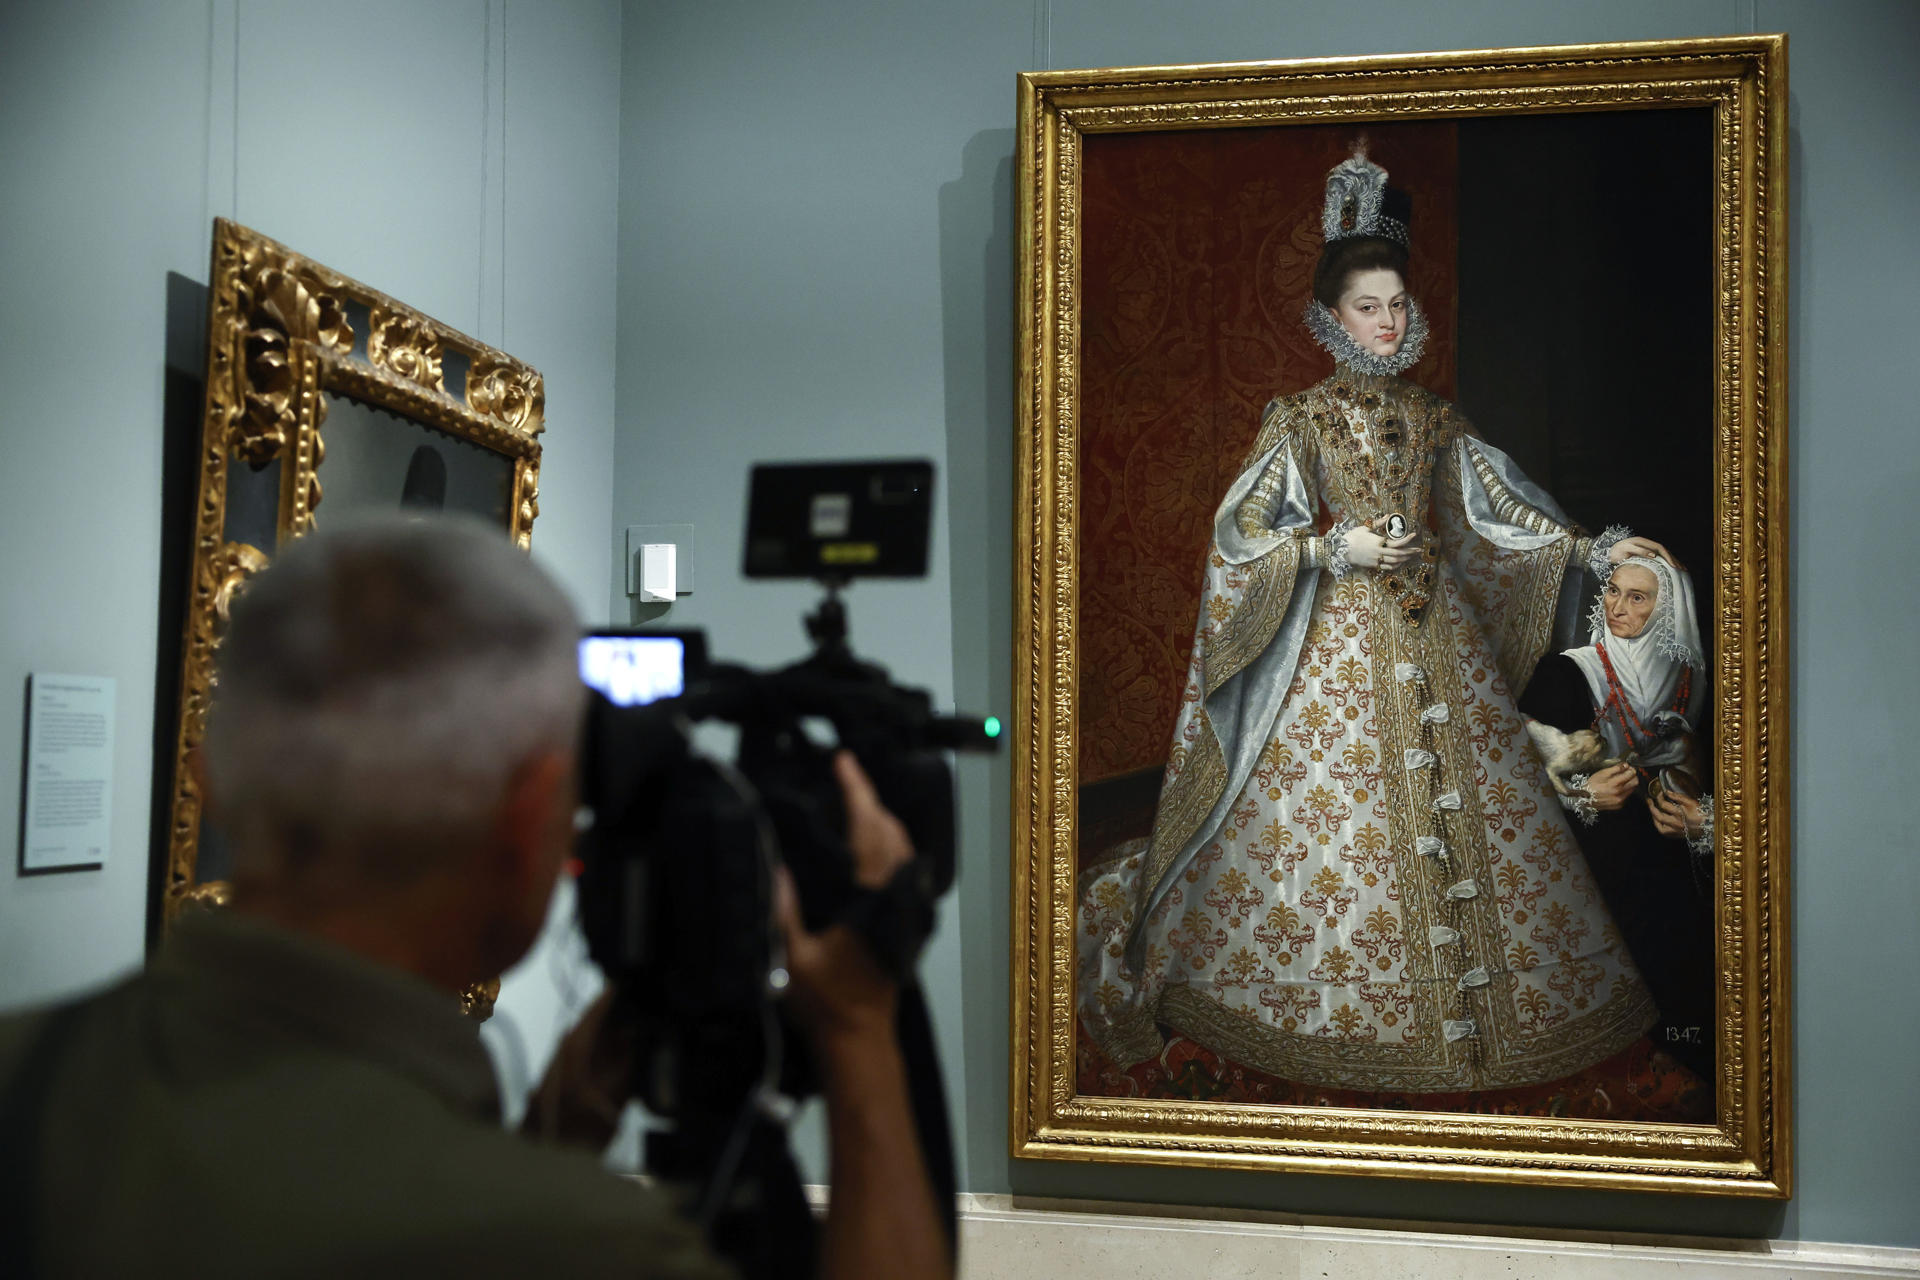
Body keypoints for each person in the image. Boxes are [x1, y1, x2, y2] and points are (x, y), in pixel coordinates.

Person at [0, 515, 951, 1280]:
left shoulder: (28, 1071)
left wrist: (554, 1134)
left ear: (208, 782)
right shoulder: (577, 1245)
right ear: (530, 820)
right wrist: (859, 1029)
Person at [1076, 149, 1678, 1095]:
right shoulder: (1300, 418)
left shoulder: (1435, 417)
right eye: (1368, 306)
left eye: (1397, 303)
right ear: (1331, 317)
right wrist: (1330, 549)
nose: (1389, 321)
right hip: (1339, 641)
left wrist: (1588, 550)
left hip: (1438, 629)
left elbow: (1494, 506)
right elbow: (1240, 534)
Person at [1519, 556, 1716, 1080]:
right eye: (1612, 591)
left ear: (1668, 611)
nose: (1616, 606)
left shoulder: (1692, 679)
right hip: (1589, 871)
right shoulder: (1565, 672)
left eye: (1637, 597)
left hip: (1675, 870)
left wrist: (1702, 812)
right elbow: (1509, 776)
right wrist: (1581, 795)